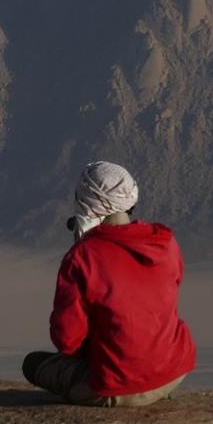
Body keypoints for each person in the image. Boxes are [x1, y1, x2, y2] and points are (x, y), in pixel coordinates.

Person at [22, 161, 196, 407]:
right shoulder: (166, 244)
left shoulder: (83, 257)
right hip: (173, 372)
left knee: (33, 363)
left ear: (87, 204)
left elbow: (67, 340)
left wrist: (82, 247)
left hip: (116, 387)